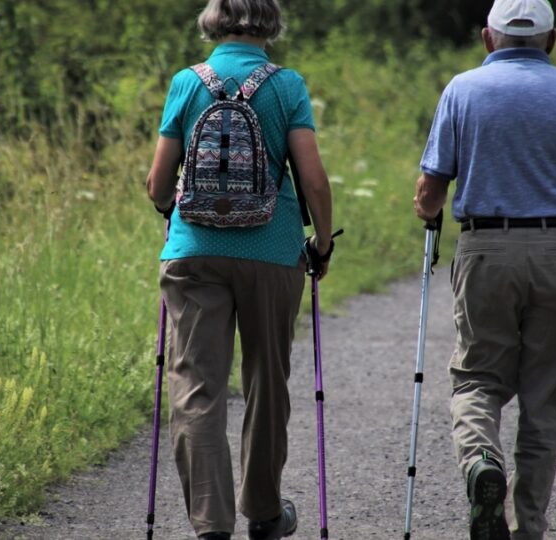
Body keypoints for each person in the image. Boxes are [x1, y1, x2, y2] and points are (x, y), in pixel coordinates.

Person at [413, 1, 556, 539]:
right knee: (545, 396)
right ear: (551, 40)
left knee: (478, 378)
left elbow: (431, 191)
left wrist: (429, 212)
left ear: (489, 38)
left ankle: (482, 458)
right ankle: (526, 525)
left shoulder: (462, 89)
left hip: (487, 249)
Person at [146, 1, 334, 539]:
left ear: (213, 21)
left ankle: (211, 524)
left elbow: (159, 186)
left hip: (194, 253)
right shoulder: (288, 85)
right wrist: (320, 243)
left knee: (196, 388)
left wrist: (172, 212)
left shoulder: (187, 82)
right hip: (272, 251)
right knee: (266, 381)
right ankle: (266, 513)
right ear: (269, 23)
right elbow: (313, 182)